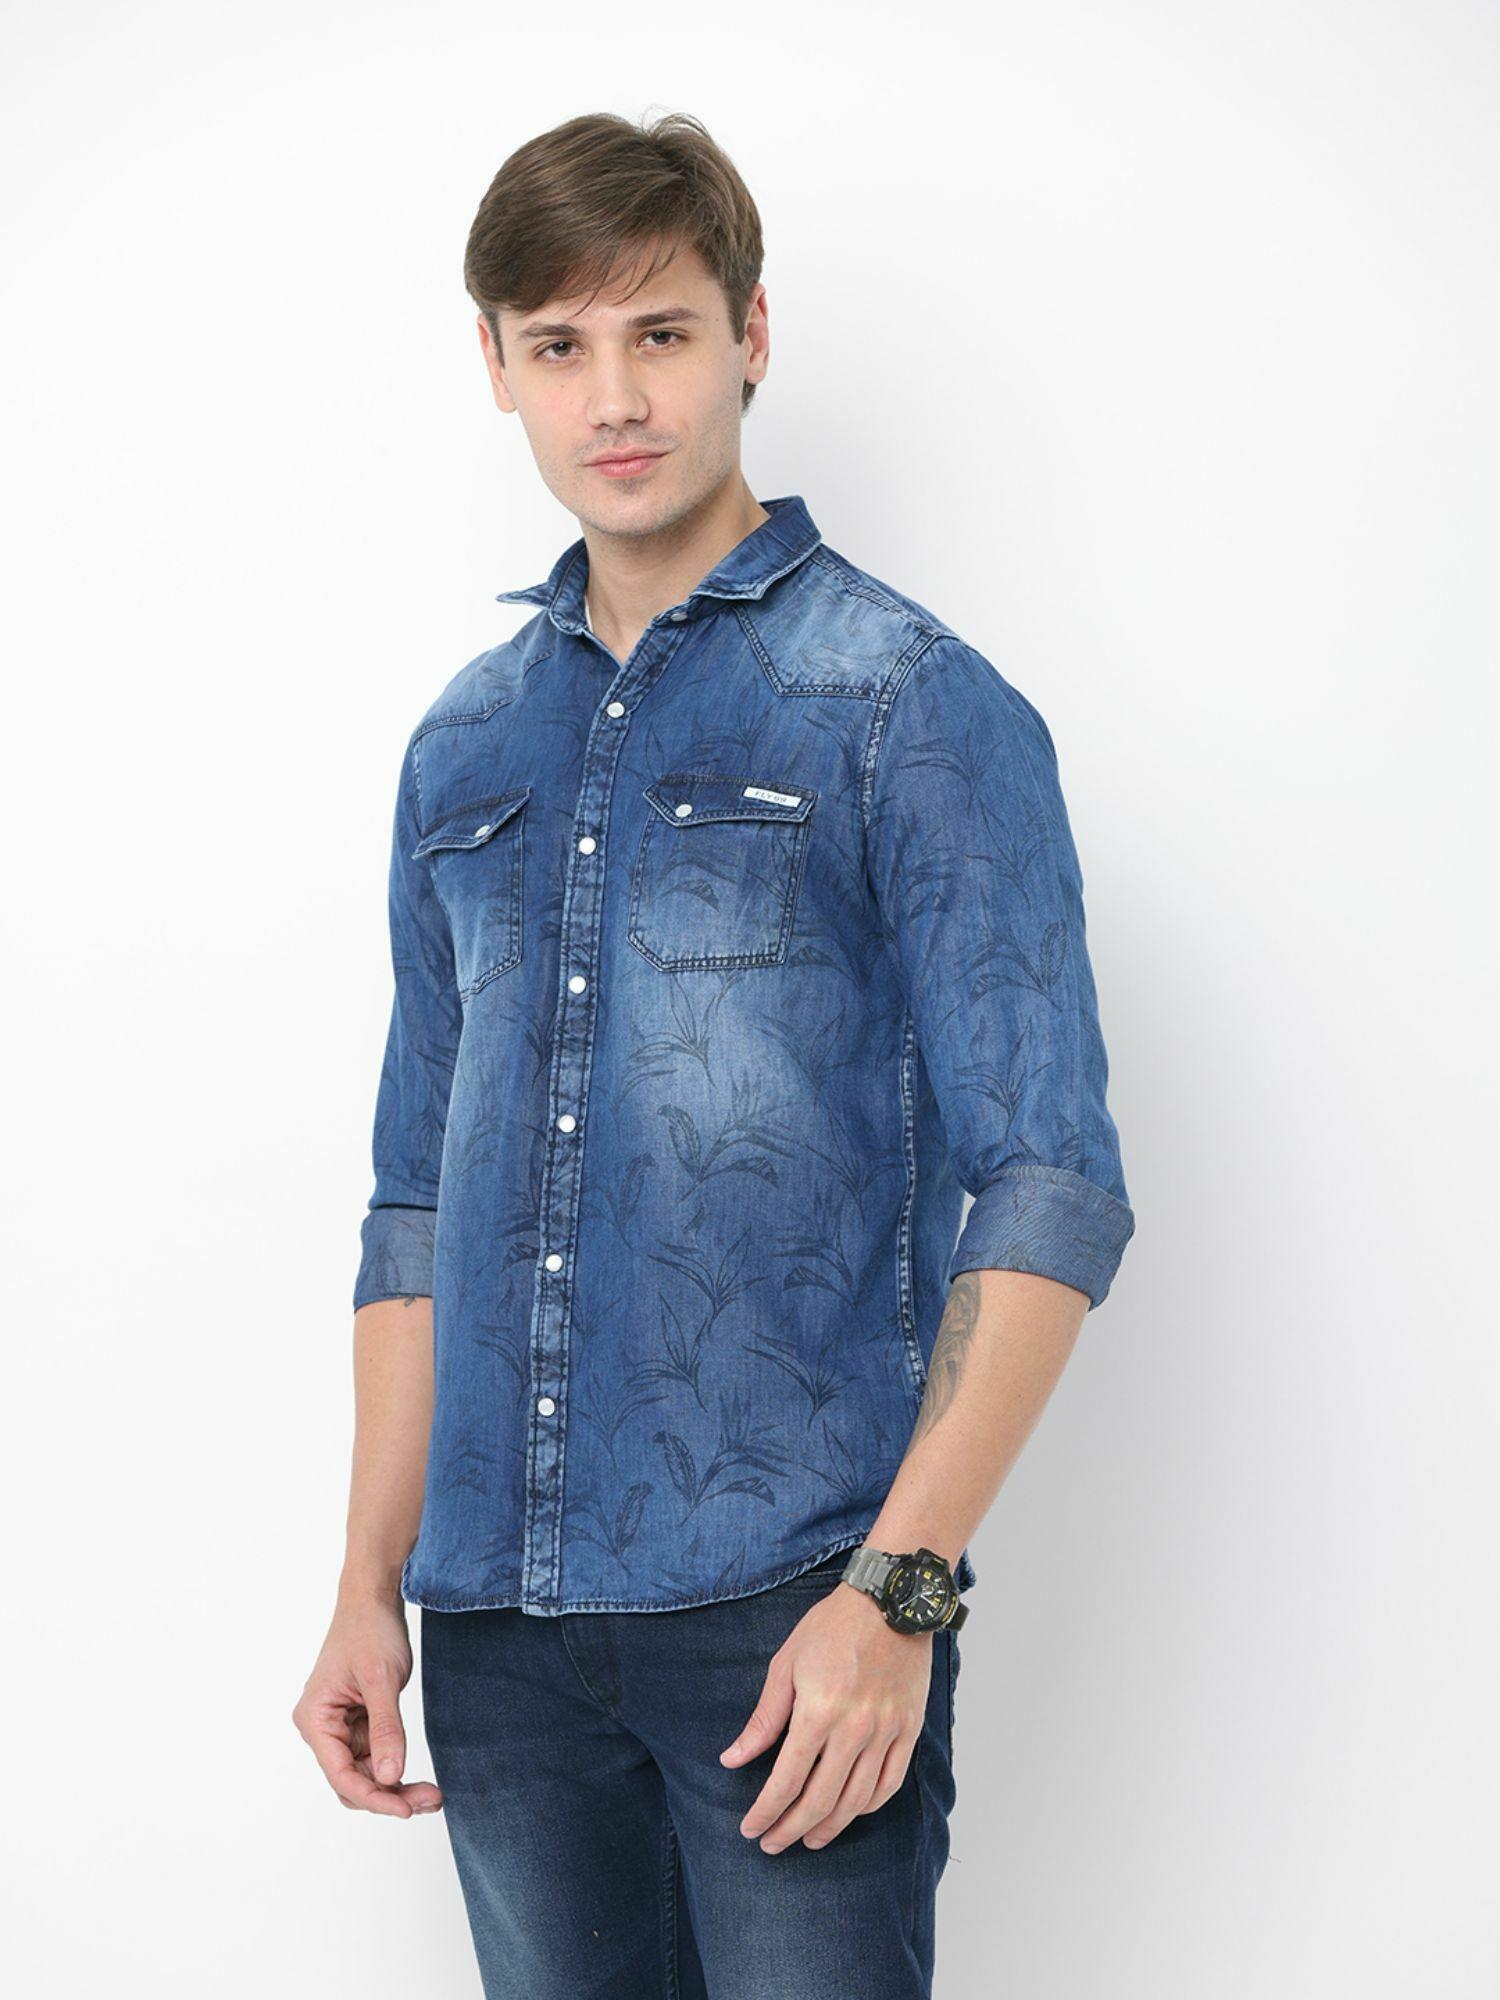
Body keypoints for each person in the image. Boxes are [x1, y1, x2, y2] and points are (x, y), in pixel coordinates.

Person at [293, 108, 1136, 1999]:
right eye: (561, 343)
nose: (615, 397)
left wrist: (897, 1595)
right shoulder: (463, 750)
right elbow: (416, 1208)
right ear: (496, 365)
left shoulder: (909, 705)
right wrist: (366, 1588)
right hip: (496, 1632)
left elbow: (1050, 1187)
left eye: (660, 332)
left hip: (792, 1612)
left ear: (750, 334)